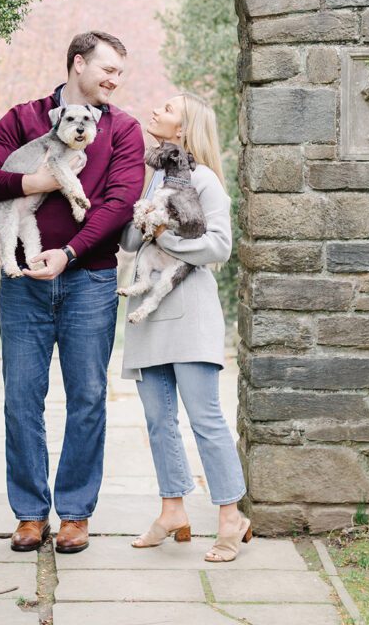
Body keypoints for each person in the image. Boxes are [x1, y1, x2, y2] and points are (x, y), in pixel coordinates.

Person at [0, 31, 145, 555]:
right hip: (23, 284)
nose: (114, 81)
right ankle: (28, 514)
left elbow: (118, 203)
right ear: (78, 63)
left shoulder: (125, 129)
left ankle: (76, 515)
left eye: (120, 75)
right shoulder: (25, 118)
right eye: (107, 69)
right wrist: (36, 183)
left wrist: (68, 253)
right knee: (21, 399)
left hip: (90, 280)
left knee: (87, 398)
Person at [120, 93, 252, 563]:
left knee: (206, 422)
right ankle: (172, 509)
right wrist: (141, 216)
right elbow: (131, 240)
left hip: (190, 316)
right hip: (150, 317)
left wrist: (166, 235)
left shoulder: (206, 180)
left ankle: (230, 517)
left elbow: (218, 246)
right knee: (159, 422)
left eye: (168, 109)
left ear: (185, 127)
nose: (155, 111)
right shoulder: (155, 175)